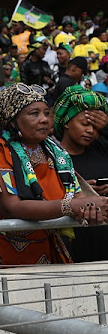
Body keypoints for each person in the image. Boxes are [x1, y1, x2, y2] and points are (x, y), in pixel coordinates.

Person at [0, 84, 108, 269]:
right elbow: (11, 207)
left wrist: (90, 208)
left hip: (42, 254)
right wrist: (71, 206)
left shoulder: (56, 153)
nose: (44, 119)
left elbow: (77, 197)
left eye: (47, 113)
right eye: (34, 114)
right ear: (13, 120)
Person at [53, 86, 108, 262]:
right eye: (85, 124)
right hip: (74, 250)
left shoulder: (102, 149)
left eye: (95, 126)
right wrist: (76, 195)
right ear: (67, 122)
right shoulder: (51, 158)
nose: (91, 131)